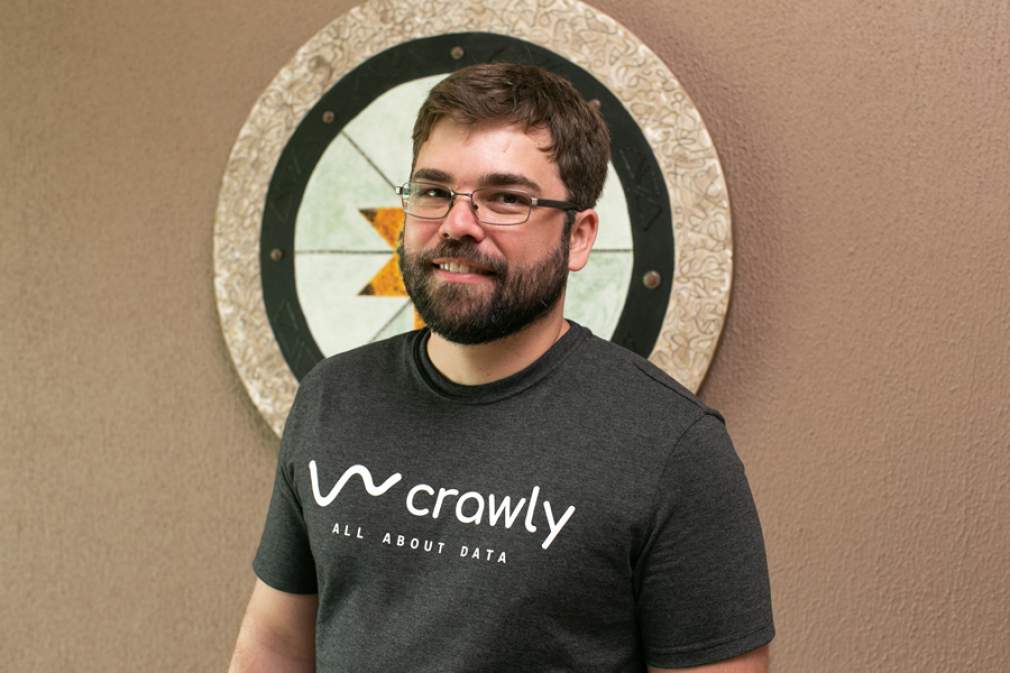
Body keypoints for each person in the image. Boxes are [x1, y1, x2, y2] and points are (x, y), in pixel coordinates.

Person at [229, 63, 774, 673]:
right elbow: (274, 646)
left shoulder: (673, 449)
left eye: (507, 199)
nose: (458, 225)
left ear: (578, 236)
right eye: (434, 192)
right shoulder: (333, 396)